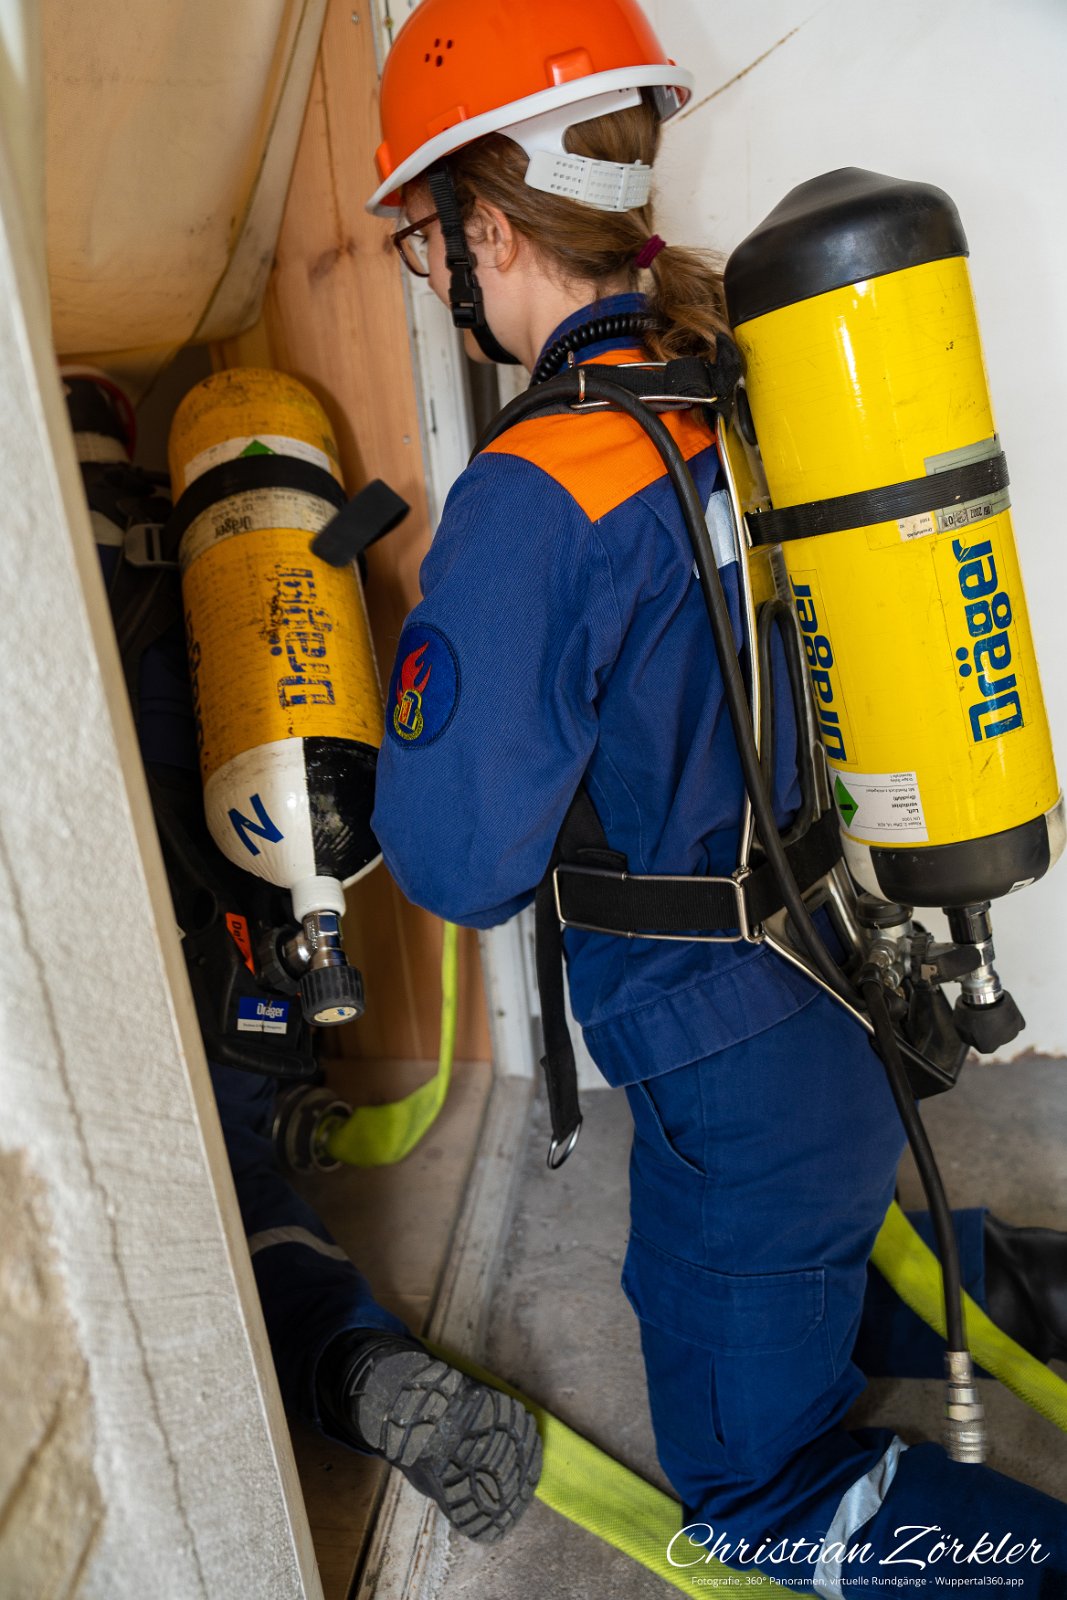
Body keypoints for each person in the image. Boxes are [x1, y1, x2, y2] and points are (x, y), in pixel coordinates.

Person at [366, 1, 1067, 1592]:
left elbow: (461, 863)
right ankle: (1008, 1287)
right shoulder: (735, 383)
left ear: (486, 226)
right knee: (806, 1253)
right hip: (847, 985)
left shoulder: (533, 494)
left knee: (752, 1491)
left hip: (724, 1068)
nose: (427, 272)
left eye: (419, 237)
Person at [67, 368, 542, 1546]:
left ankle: (290, 1380)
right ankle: (356, 1357)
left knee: (128, 1216)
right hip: (240, 941)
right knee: (235, 1183)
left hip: (82, 966)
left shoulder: (42, 560)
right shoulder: (191, 542)